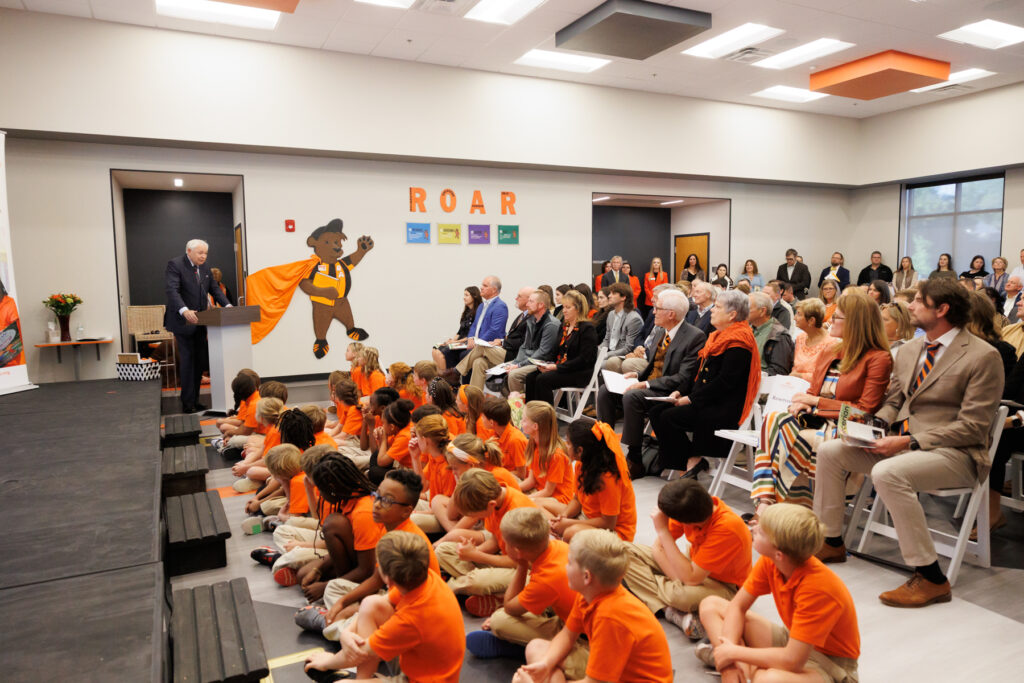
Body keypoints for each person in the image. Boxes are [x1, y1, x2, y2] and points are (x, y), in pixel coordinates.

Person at [813, 278, 1004, 607]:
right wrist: (873, 426)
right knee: (831, 451)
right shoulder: (912, 350)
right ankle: (830, 539)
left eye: (918, 300)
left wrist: (908, 442)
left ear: (941, 310)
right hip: (906, 444)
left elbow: (973, 428)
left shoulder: (982, 356)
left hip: (957, 454)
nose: (910, 306)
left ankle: (931, 577)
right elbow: (894, 400)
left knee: (889, 473)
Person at [750, 293, 892, 518]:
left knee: (792, 436)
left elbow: (864, 411)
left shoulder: (878, 358)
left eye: (837, 317)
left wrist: (816, 403)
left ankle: (780, 509)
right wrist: (802, 403)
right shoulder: (831, 351)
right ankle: (766, 502)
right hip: (816, 417)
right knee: (774, 419)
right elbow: (811, 392)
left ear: (855, 322)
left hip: (845, 424)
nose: (830, 320)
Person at [698, 504, 860, 683]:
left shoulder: (818, 589)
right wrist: (729, 654)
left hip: (831, 665)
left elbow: (793, 661)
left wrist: (734, 652)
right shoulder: (771, 561)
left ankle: (744, 668)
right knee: (710, 604)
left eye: (762, 532)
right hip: (793, 641)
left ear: (779, 554)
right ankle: (734, 671)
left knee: (768, 679)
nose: (754, 527)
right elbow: (738, 606)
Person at [513, 529, 673, 683]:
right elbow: (568, 635)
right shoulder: (588, 594)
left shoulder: (610, 617)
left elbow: (594, 682)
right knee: (536, 648)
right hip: (614, 671)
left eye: (569, 563)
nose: (565, 567)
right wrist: (546, 664)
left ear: (586, 576)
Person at [304, 531, 464, 683]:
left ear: (388, 580)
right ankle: (364, 678)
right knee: (370, 604)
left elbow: (357, 653)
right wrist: (347, 632)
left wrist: (328, 662)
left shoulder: (410, 619)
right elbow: (378, 604)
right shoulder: (424, 578)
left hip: (420, 679)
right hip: (420, 662)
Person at [595, 288, 706, 478]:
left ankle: (635, 458)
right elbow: (654, 365)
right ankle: (605, 449)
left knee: (632, 396)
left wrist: (645, 385)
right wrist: (637, 377)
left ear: (671, 314)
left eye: (657, 308)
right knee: (606, 390)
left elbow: (683, 378)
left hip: (670, 391)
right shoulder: (662, 332)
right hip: (652, 385)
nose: (653, 311)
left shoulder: (694, 336)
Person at [651, 290, 760, 478]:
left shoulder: (740, 341)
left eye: (717, 307)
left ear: (732, 315)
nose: (712, 311)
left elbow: (725, 383)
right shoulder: (717, 336)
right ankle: (687, 462)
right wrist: (679, 391)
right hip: (707, 399)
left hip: (723, 406)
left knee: (669, 417)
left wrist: (691, 399)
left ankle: (690, 462)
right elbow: (697, 373)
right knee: (656, 410)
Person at [465, 508, 586, 677]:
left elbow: (509, 608)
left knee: (501, 620)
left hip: (584, 642)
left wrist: (520, 565)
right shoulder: (557, 546)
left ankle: (515, 648)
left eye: (505, 543)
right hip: (570, 620)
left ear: (517, 551)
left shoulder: (547, 578)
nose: (503, 546)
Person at [622, 478, 751, 636]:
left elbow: (691, 579)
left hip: (727, 586)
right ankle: (668, 609)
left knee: (679, 596)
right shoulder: (692, 506)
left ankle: (658, 597)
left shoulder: (727, 528)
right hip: (694, 565)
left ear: (685, 521)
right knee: (622, 551)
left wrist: (663, 531)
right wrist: (678, 578)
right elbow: (658, 547)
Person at [165, 238, 231, 413]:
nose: (203, 256)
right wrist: (184, 310)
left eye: (205, 253)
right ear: (189, 251)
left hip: (202, 321)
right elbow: (172, 290)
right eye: (200, 253)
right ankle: (187, 403)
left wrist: (228, 306)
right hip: (183, 321)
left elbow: (214, 289)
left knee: (199, 361)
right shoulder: (175, 265)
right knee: (188, 361)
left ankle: (195, 400)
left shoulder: (204, 267)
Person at [547, 420, 636, 541]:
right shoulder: (580, 465)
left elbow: (608, 523)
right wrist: (564, 515)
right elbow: (577, 499)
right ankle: (559, 534)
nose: (565, 445)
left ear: (580, 450)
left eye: (568, 443)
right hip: (588, 517)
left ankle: (562, 539)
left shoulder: (607, 478)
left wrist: (569, 524)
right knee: (538, 504)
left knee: (570, 533)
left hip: (614, 532)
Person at [524, 291, 598, 404]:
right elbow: (555, 352)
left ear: (578, 309)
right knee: (531, 377)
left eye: (568, 307)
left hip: (578, 372)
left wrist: (556, 367)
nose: (564, 310)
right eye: (563, 307)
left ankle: (546, 417)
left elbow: (585, 359)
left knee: (543, 380)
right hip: (562, 368)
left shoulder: (587, 328)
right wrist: (545, 363)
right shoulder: (564, 326)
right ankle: (531, 414)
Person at [458, 286, 531, 389]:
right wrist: (502, 340)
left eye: (519, 296)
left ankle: (459, 371)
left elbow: (524, 342)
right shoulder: (522, 316)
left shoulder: (531, 318)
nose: (515, 298)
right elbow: (512, 337)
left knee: (481, 347)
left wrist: (502, 343)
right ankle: (475, 399)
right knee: (478, 362)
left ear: (528, 300)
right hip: (507, 350)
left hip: (515, 356)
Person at [506, 290, 561, 394]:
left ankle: (520, 409)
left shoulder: (551, 324)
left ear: (541, 305)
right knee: (505, 368)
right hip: (530, 360)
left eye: (531, 301)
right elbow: (524, 346)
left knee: (514, 374)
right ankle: (516, 403)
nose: (527, 304)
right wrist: (515, 363)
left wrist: (518, 366)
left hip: (543, 363)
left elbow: (542, 353)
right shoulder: (531, 320)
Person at [430, 285, 481, 371]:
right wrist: (451, 341)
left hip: (466, 343)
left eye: (466, 295)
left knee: (440, 353)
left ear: (474, 296)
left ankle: (447, 378)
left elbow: (471, 335)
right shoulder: (466, 312)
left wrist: (455, 342)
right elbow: (460, 332)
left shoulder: (478, 313)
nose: (464, 298)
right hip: (459, 342)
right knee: (435, 349)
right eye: (464, 295)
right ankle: (439, 376)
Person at [791, 298, 839, 382]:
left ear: (811, 320)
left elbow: (826, 377)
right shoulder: (800, 338)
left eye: (799, 314)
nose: (795, 318)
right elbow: (795, 368)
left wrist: (800, 376)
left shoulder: (831, 343)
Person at [748, 292, 794, 376]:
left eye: (747, 308)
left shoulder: (779, 335)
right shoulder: (749, 329)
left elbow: (779, 371)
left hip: (762, 383)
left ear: (762, 311)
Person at [599, 281, 643, 361]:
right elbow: (607, 339)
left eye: (613, 293)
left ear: (623, 297)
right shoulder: (611, 315)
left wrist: (605, 355)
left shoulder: (633, 319)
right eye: (610, 293)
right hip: (609, 353)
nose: (609, 296)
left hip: (622, 357)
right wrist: (598, 351)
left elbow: (628, 348)